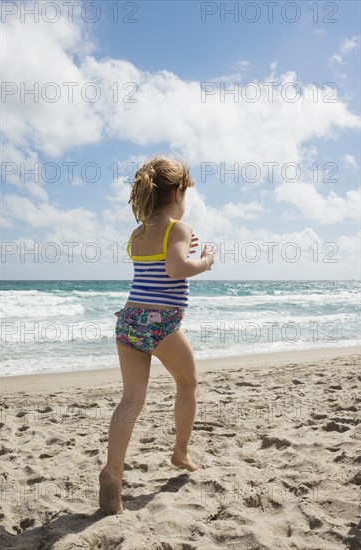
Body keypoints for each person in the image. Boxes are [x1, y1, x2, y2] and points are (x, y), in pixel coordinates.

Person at [99, 154, 215, 514]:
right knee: (188, 382)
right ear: (178, 191)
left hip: (130, 320)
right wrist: (206, 261)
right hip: (161, 323)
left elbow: (155, 270)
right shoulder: (177, 228)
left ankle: (113, 471)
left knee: (131, 399)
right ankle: (180, 452)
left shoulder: (139, 232)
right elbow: (176, 268)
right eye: (186, 195)